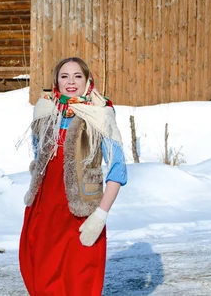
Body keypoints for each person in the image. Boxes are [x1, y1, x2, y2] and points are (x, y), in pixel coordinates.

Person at [19, 57, 128, 296]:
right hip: (45, 212)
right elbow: (39, 160)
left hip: (80, 213)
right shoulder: (44, 113)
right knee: (41, 279)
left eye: (77, 76)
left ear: (87, 80)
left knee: (79, 281)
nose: (71, 82)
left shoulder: (100, 116)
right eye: (64, 76)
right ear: (56, 82)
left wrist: (101, 215)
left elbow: (118, 169)